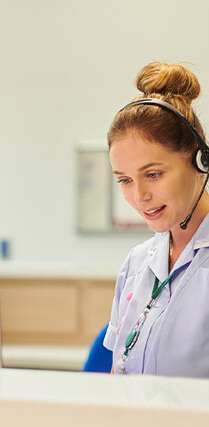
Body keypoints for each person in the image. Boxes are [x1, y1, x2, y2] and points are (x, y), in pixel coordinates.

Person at [104, 62, 209, 377]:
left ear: (200, 160)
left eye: (153, 174)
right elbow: (116, 374)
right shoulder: (137, 263)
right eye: (124, 180)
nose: (139, 196)